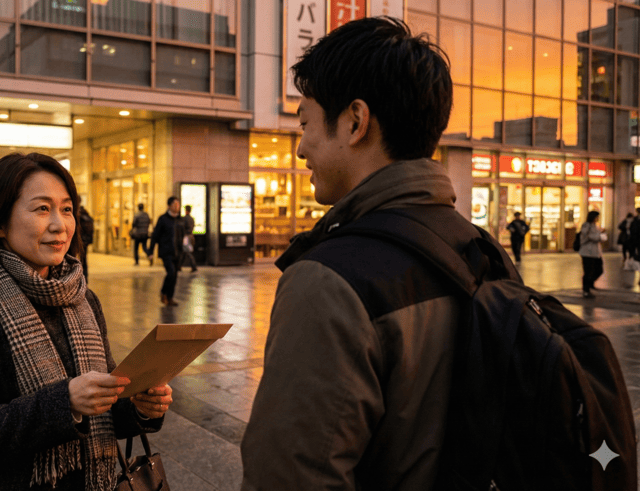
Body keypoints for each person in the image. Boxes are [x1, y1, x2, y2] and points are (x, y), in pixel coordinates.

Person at [241, 17, 462, 489]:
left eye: (305, 124)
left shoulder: (330, 281)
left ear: (355, 121)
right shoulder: (476, 248)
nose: (301, 149)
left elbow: (291, 475)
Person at [0, 152, 172, 490]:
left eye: (67, 208)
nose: (60, 225)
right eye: (42, 208)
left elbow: (104, 407)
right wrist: (66, 402)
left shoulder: (82, 299)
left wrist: (140, 407)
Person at [147, 196, 184, 306]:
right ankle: (163, 292)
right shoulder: (163, 219)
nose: (177, 207)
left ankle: (170, 297)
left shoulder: (180, 220)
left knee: (175, 275)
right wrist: (151, 252)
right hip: (166, 252)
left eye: (178, 204)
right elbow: (155, 236)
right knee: (171, 272)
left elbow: (183, 236)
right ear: (169, 206)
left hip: (178, 252)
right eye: (174, 204)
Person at [579, 211, 606, 298]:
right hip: (587, 252)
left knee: (599, 269)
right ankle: (586, 290)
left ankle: (590, 283)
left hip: (596, 253)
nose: (597, 218)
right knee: (588, 271)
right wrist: (599, 236)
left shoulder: (595, 225)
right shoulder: (586, 225)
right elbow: (590, 236)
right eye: (596, 217)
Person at [177, 204, 198, 272]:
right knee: (184, 252)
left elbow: (181, 228)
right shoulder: (192, 219)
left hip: (186, 237)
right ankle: (179, 266)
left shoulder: (184, 218)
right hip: (191, 236)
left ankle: (194, 266)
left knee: (188, 252)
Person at [78, 205, 94, 280]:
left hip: (80, 241)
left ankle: (81, 278)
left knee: (78, 260)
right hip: (85, 241)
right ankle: (85, 278)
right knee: (84, 260)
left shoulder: (79, 217)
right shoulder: (88, 216)